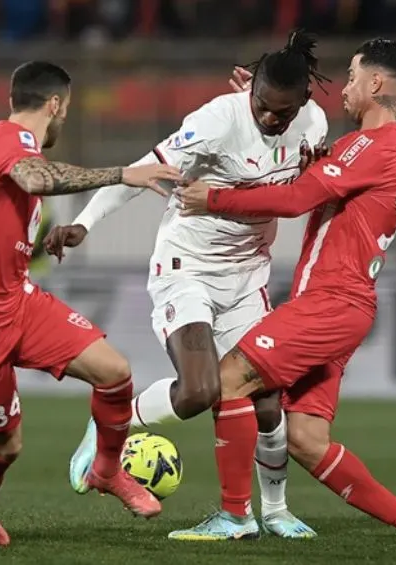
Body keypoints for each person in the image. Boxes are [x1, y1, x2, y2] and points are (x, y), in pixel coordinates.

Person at [174, 38, 396, 542]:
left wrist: (214, 198)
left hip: (330, 303)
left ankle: (235, 517)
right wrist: (265, 110)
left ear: (377, 83)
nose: (346, 88)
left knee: (226, 382)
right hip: (344, 306)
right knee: (307, 439)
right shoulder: (381, 148)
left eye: (353, 78)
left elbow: (295, 199)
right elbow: (311, 171)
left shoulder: (375, 145)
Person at [49, 30, 329, 541]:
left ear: (305, 102)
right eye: (262, 107)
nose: (270, 119)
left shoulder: (314, 122)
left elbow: (308, 172)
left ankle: (276, 511)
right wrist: (84, 224)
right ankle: (112, 425)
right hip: (188, 266)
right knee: (201, 390)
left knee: (269, 404)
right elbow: (143, 172)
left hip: (249, 275)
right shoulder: (215, 122)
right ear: (250, 93)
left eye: (282, 113)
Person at [0, 60, 184, 547]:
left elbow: (6, 203)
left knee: (113, 371)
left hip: (16, 301)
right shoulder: (12, 141)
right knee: (6, 446)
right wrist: (125, 174)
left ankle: (105, 471)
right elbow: (35, 178)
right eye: (66, 109)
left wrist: (31, 241)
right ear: (56, 104)